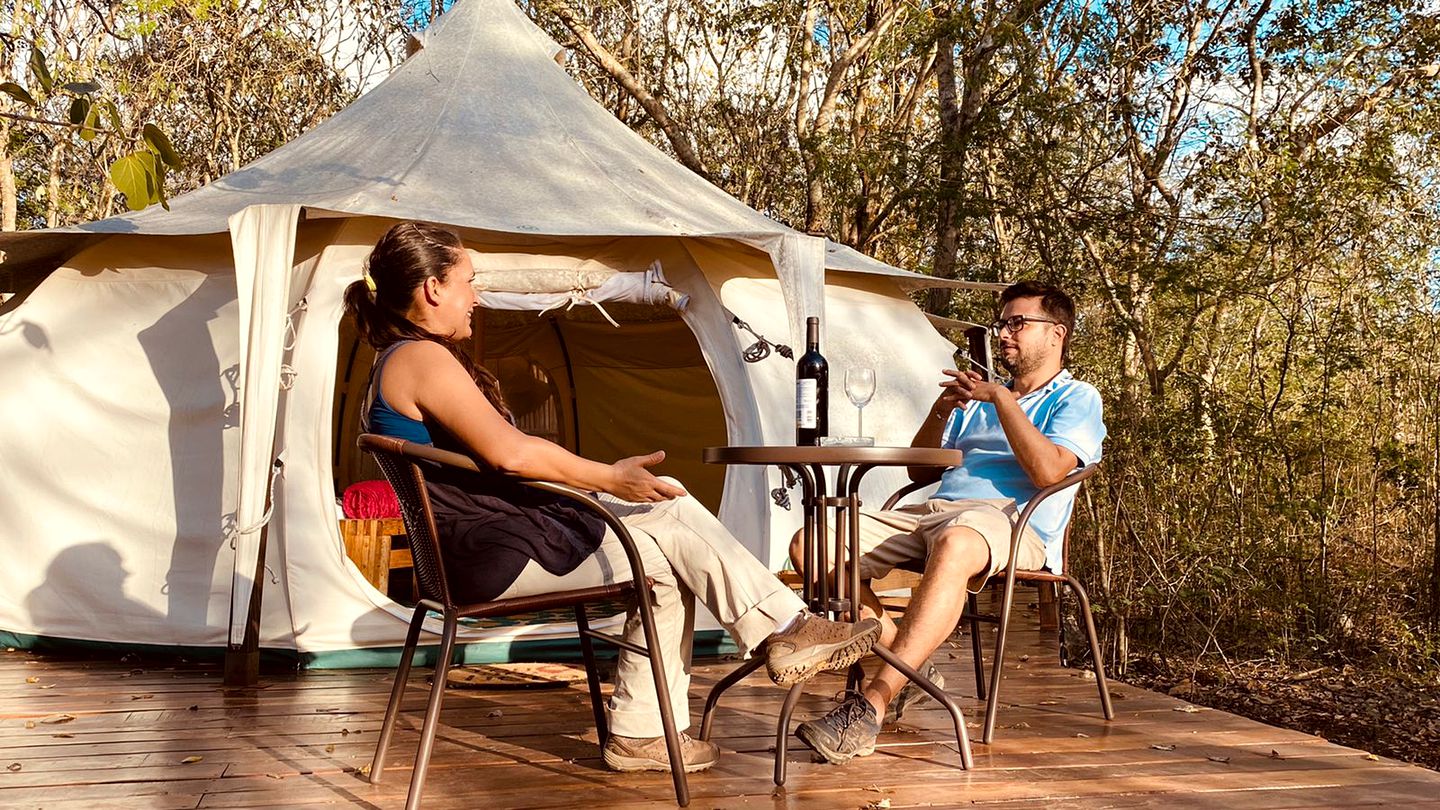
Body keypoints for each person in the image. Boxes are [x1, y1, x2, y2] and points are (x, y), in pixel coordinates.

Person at [343, 220, 880, 775]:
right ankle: (783, 630)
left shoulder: (403, 357)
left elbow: (507, 461)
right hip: (491, 556)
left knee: (672, 543)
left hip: (474, 552)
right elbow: (512, 454)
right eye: (468, 281)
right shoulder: (420, 359)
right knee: (672, 519)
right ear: (433, 288)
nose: (475, 296)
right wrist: (609, 478)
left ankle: (647, 731)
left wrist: (608, 486)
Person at [792, 280, 1106, 763]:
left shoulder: (1077, 398)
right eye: (1002, 323)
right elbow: (922, 471)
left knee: (958, 542)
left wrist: (1002, 400)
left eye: (1017, 323)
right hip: (934, 513)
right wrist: (943, 409)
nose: (1004, 333)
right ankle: (914, 673)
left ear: (1056, 334)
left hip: (1011, 525)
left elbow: (1047, 471)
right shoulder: (979, 398)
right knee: (814, 541)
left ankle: (871, 706)